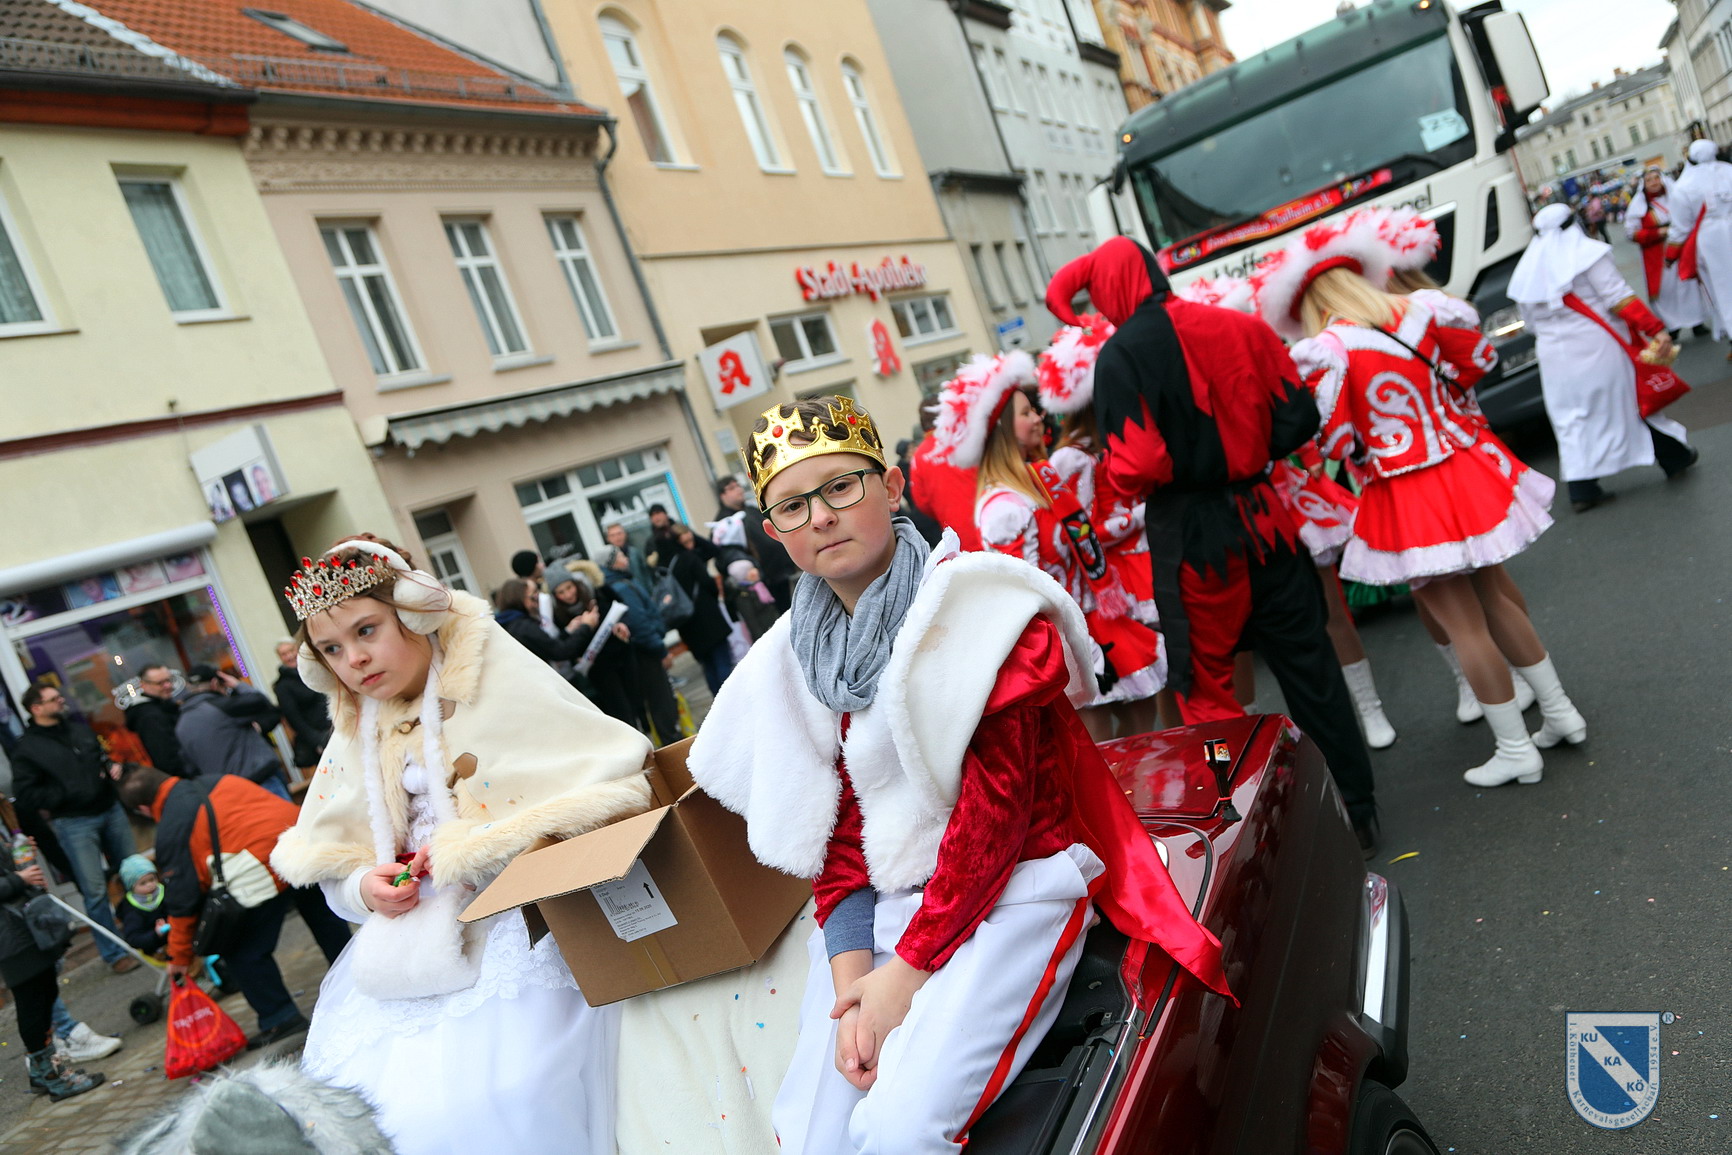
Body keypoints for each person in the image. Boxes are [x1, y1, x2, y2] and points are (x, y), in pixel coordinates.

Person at [688, 395, 1230, 1153]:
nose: (822, 516)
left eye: (841, 486)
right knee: (812, 1134)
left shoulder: (980, 607)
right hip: (887, 912)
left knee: (902, 1130)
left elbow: (995, 819)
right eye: (793, 505)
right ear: (773, 530)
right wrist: (854, 992)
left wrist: (903, 978)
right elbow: (838, 837)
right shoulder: (795, 655)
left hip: (1014, 893)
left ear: (892, 486)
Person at [268, 535, 653, 1154]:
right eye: (332, 650)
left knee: (514, 1094)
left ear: (416, 612)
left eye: (367, 631)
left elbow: (601, 799)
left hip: (530, 931)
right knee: (375, 1108)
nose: (355, 660)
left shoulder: (496, 679)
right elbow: (333, 859)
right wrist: (364, 888)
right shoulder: (358, 729)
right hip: (412, 954)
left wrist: (478, 846)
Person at [1051, 236, 1380, 852]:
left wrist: (1121, 473)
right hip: (1266, 520)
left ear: (1112, 288)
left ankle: (1246, 833)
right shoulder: (1242, 326)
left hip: (1192, 538)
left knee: (1206, 693)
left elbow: (1139, 462)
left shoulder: (1120, 356)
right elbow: (1296, 420)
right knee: (1311, 670)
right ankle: (1358, 811)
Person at [1265, 212, 1587, 788]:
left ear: (1310, 302)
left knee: (1464, 625)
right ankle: (1561, 712)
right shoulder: (1423, 311)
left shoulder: (1328, 349)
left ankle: (1516, 749)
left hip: (1407, 491)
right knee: (1496, 598)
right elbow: (1478, 363)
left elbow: (1334, 441)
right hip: (1466, 469)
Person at [1169, 274, 1396, 748]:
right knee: (1237, 640)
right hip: (1232, 519)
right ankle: (1251, 740)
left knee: (1331, 609)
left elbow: (1299, 427)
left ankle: (1369, 709)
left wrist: (1308, 464)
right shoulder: (1190, 389)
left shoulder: (1262, 362)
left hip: (1290, 500)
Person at [932, 352, 1167, 741]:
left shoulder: (1041, 478)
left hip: (1096, 620)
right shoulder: (1003, 507)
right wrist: (1076, 649)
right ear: (1003, 430)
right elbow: (1027, 593)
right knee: (1098, 744)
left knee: (1142, 721)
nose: (1039, 417)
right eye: (1026, 413)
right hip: (1066, 638)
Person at [116, 761, 353, 1048]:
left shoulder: (172, 825)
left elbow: (183, 900)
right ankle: (356, 982)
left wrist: (179, 957)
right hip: (300, 845)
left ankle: (281, 1019)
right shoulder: (218, 779)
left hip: (262, 868)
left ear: (143, 809)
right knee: (326, 919)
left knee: (243, 950)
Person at [1512, 203, 1698, 513]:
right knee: (1629, 405)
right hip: (1597, 346)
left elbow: (1529, 323)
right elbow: (1618, 297)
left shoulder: (1527, 270)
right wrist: (1655, 329)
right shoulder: (1589, 254)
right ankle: (1674, 456)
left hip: (1553, 356)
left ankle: (1582, 488)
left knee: (1571, 419)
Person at [11, 684, 140, 972]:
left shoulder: (78, 730)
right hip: (74, 821)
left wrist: (109, 766)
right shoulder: (28, 748)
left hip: (110, 808)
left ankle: (148, 934)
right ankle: (115, 954)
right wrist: (64, 796)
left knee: (135, 873)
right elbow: (26, 794)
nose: (61, 701)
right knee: (94, 890)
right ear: (36, 708)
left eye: (59, 696)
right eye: (53, 699)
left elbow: (98, 757)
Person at [0, 850, 106, 1100]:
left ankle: (42, 1070)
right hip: (10, 938)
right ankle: (53, 1076)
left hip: (24, 926)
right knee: (32, 1002)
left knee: (46, 991)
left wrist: (18, 855)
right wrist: (20, 879)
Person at [598, 544, 683, 744]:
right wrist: (661, 650)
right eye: (621, 556)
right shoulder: (621, 587)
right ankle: (673, 746)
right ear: (612, 563)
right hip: (646, 653)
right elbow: (640, 624)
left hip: (645, 651)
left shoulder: (623, 581)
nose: (626, 558)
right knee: (661, 703)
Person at [175, 665, 291, 801]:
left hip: (226, 793)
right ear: (214, 683)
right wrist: (238, 685)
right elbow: (260, 701)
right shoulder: (221, 706)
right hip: (259, 779)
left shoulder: (181, 725)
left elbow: (190, 767)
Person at [1625, 165, 1709, 334]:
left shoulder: (1675, 197)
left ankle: (1696, 321)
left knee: (1689, 286)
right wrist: (1658, 233)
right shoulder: (1638, 206)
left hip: (1683, 250)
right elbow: (1631, 233)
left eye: (1656, 178)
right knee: (1665, 292)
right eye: (1649, 180)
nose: (1654, 182)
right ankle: (1672, 325)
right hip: (1657, 256)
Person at [1666, 138, 1732, 342]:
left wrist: (1671, 254)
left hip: (1710, 239)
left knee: (1721, 287)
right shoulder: (1729, 170)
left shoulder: (1683, 185)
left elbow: (1681, 226)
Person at [550, 574, 639, 725]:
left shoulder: (596, 593)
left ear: (576, 584)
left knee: (636, 700)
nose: (568, 595)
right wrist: (572, 631)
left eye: (569, 587)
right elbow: (564, 645)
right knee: (620, 712)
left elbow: (621, 609)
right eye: (561, 592)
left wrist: (622, 625)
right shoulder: (557, 614)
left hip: (622, 656)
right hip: (598, 670)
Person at [663, 524, 736, 693]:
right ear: (678, 542)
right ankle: (731, 698)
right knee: (722, 662)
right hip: (708, 619)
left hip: (689, 626)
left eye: (692, 539)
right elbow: (709, 583)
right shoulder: (691, 558)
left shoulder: (670, 564)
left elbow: (711, 550)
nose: (691, 544)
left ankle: (718, 702)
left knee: (709, 666)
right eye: (686, 541)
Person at [715, 474, 798, 609]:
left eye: (738, 485)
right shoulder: (724, 523)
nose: (738, 490)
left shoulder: (752, 510)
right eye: (732, 488)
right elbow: (725, 555)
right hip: (758, 581)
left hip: (781, 570)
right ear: (722, 495)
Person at [273, 641, 331, 772]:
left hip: (338, 726)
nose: (289, 656)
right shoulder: (283, 687)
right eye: (284, 654)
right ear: (280, 658)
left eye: (291, 650)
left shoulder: (315, 670)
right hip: (320, 737)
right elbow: (295, 720)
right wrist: (318, 740)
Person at [123, 664, 186, 775]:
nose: (168, 685)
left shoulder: (164, 706)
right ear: (144, 685)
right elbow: (166, 758)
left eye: (168, 680)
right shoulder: (150, 717)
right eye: (160, 683)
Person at [113, 853, 169, 958]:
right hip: (155, 949)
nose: (150, 885)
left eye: (152, 879)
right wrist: (156, 934)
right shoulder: (131, 908)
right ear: (131, 887)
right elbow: (133, 938)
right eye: (143, 883)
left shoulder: (166, 891)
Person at [509, 550, 557, 637]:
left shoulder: (541, 585)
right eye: (537, 563)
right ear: (530, 567)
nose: (542, 565)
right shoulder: (527, 595)